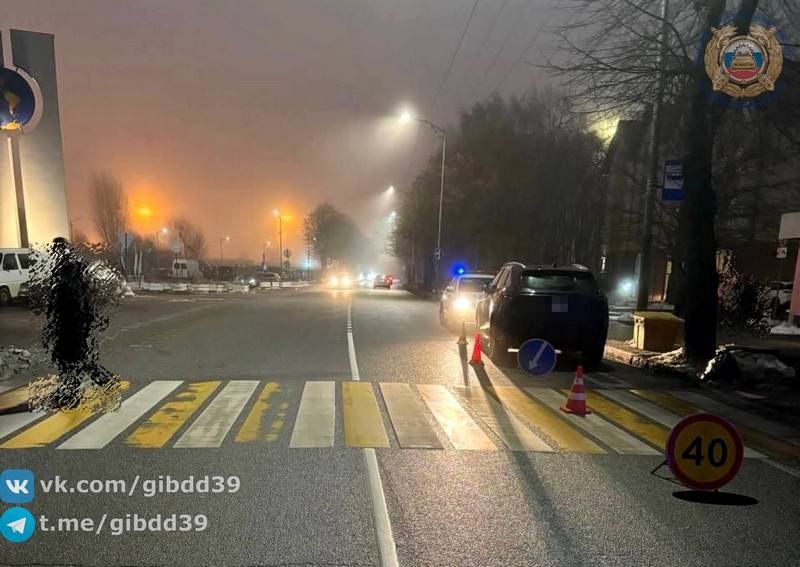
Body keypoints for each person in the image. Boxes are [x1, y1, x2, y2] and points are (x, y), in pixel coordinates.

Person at [39, 237, 114, 409]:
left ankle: (73, 395)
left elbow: (68, 299)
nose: (53, 251)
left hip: (71, 323)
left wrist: (59, 322)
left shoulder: (67, 269)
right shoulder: (73, 267)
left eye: (55, 248)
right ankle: (103, 382)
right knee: (75, 359)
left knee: (70, 359)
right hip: (75, 323)